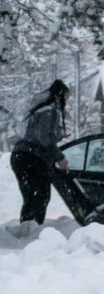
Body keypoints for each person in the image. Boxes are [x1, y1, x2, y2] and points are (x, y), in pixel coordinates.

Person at [10, 80, 68, 224]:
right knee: (40, 196)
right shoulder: (49, 110)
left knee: (33, 197)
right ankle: (32, 233)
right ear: (58, 95)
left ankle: (28, 230)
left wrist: (57, 135)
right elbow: (43, 138)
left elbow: (39, 134)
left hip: (22, 155)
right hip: (30, 157)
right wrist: (60, 157)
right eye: (66, 96)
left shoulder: (43, 109)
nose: (67, 100)